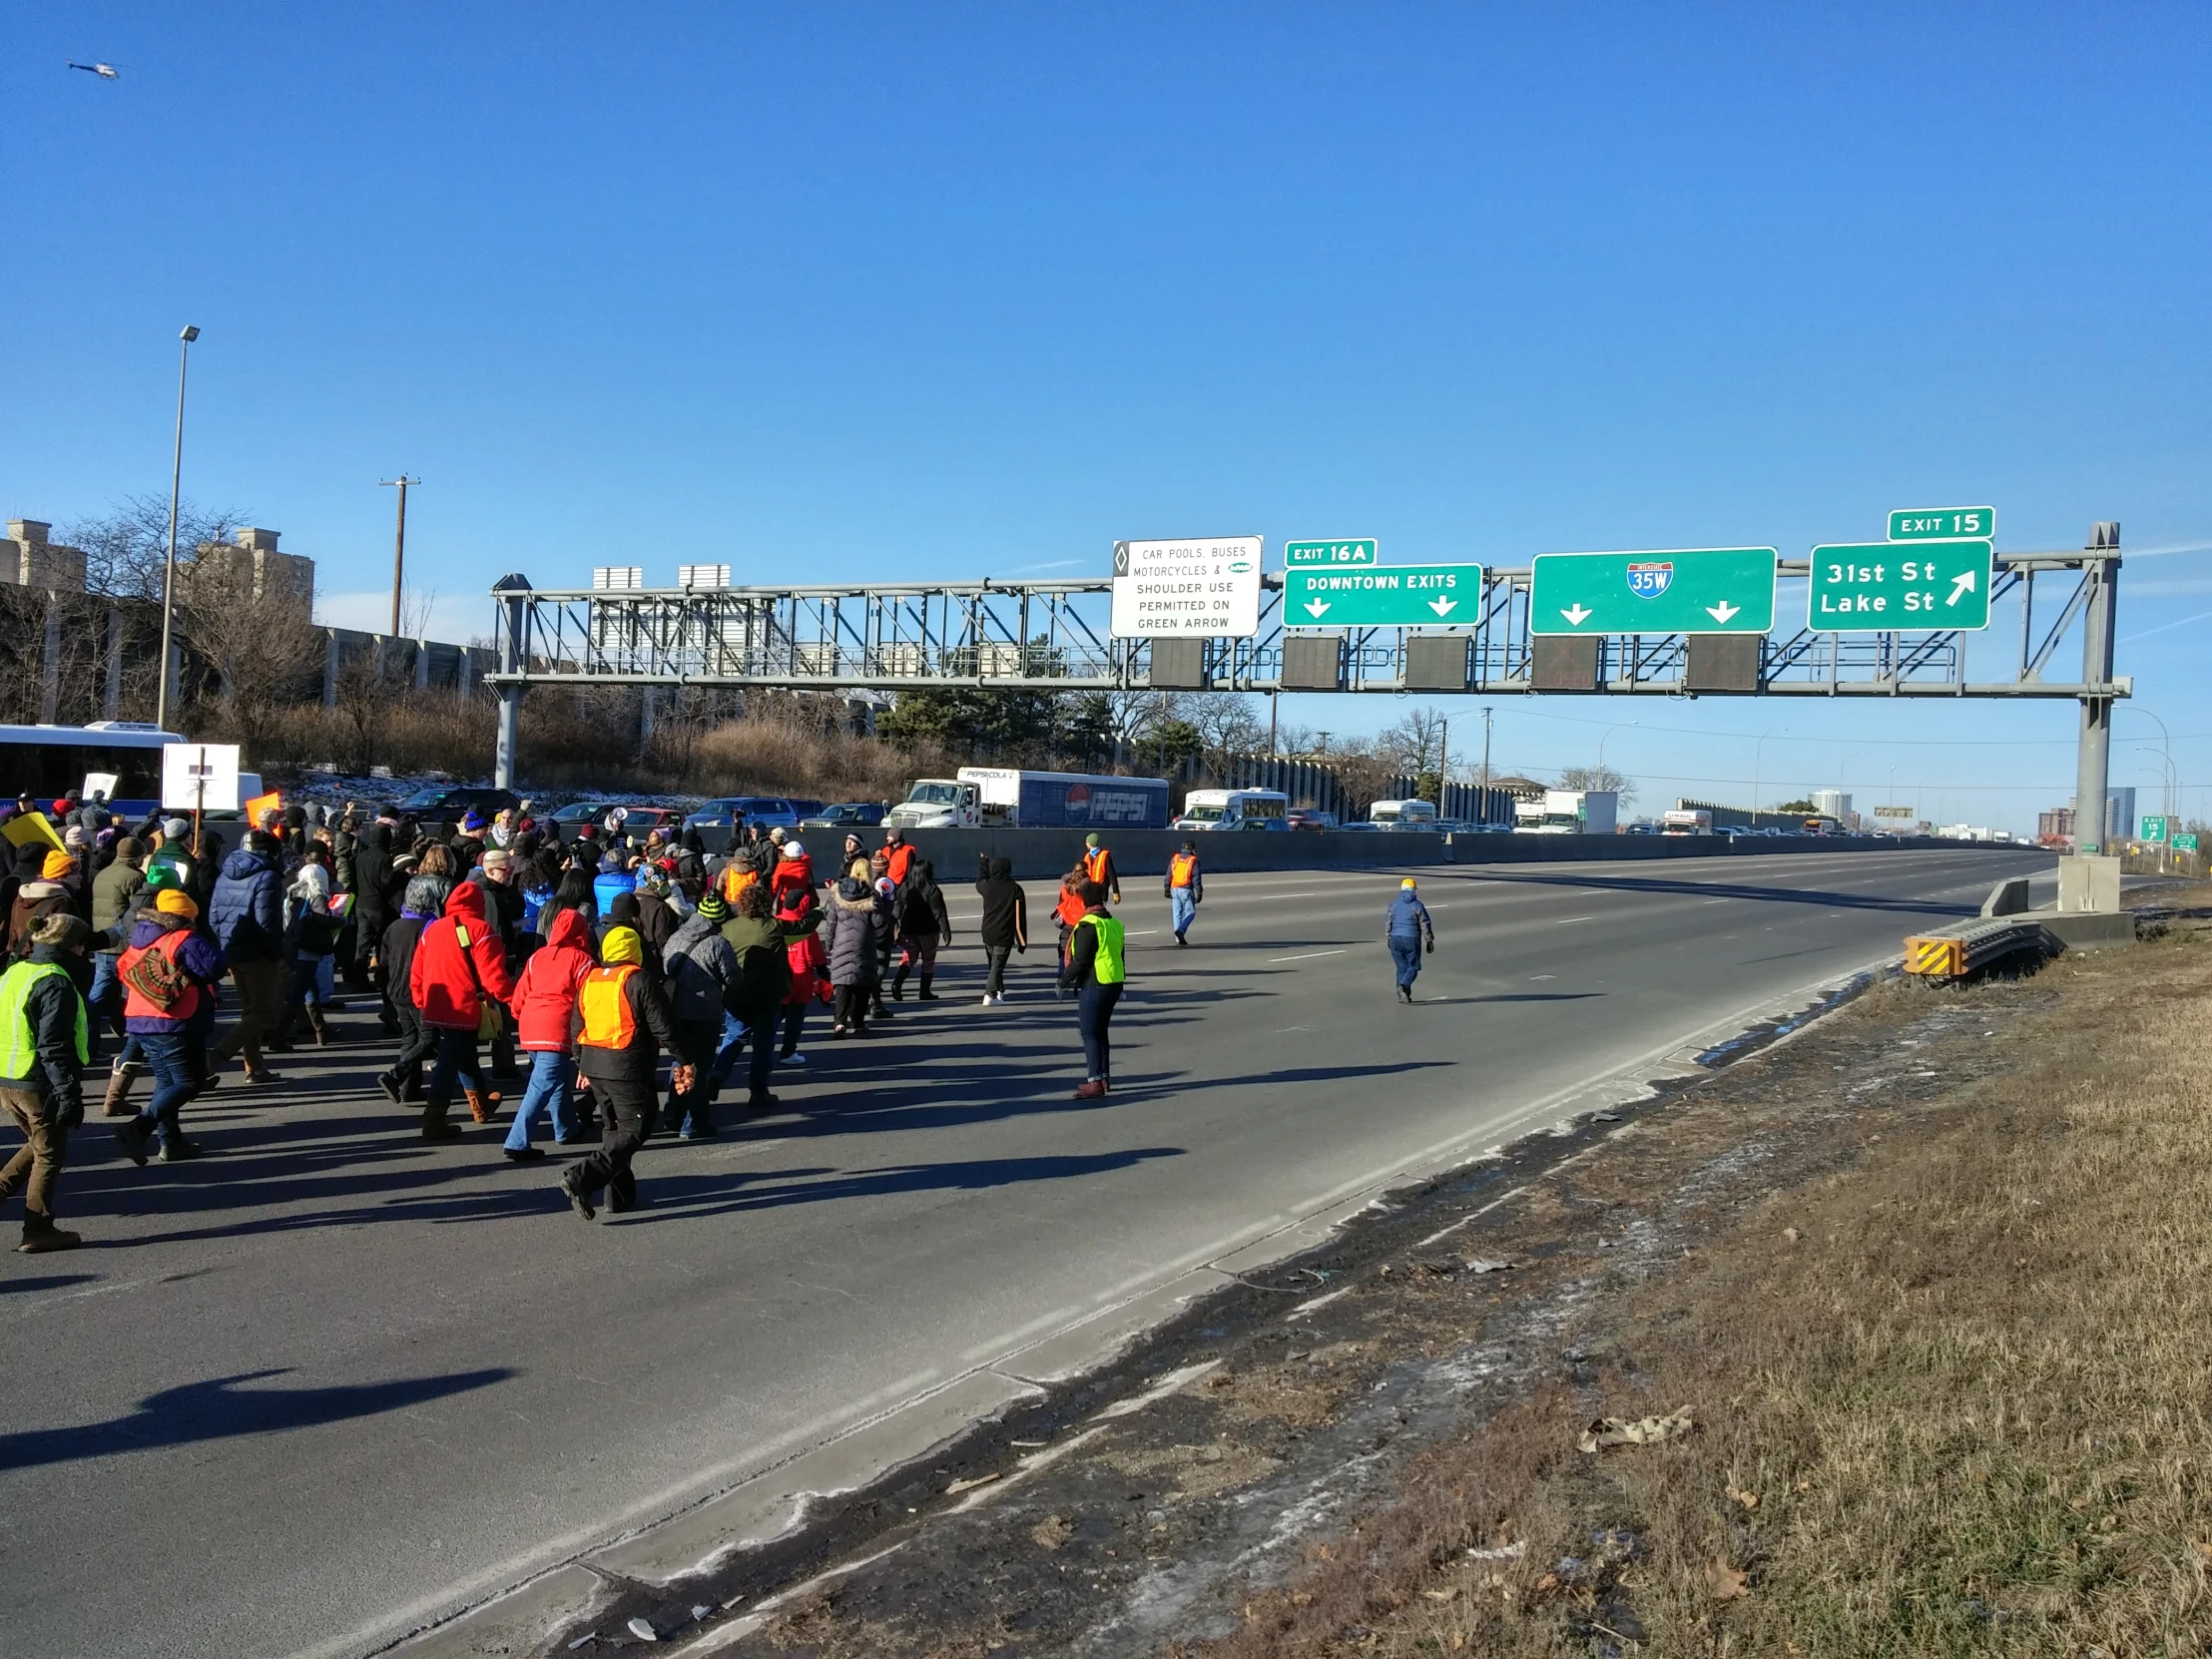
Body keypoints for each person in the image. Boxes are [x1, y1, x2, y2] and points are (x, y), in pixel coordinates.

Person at [560, 924, 686, 1221]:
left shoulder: (591, 979)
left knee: (614, 1130)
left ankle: (618, 1197)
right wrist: (685, 1058)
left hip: (595, 1065)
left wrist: (581, 1065)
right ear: (634, 951)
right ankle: (582, 1177)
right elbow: (663, 1026)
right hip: (626, 1066)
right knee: (637, 1128)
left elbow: (578, 1026)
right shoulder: (638, 979)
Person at [0, 913, 94, 1251]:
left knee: (40, 1141)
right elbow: (53, 1045)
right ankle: (38, 1228)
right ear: (71, 946)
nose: (86, 951)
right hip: (38, 1080)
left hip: (9, 1076)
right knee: (49, 1153)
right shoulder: (55, 981)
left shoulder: (17, 971)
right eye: (82, 944)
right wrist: (68, 1091)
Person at [115, 888, 227, 1164]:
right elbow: (213, 968)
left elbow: (121, 969)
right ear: (188, 917)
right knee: (191, 1081)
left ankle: (171, 1142)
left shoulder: (141, 937)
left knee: (167, 1083)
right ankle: (137, 1128)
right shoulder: (184, 939)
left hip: (141, 1019)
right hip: (174, 1020)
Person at [408, 881, 517, 1140]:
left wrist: (420, 998)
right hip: (466, 1004)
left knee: (463, 1055)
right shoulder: (481, 929)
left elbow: (418, 970)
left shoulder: (432, 929)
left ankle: (481, 1104)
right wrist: (512, 999)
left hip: (438, 1003)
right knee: (450, 1060)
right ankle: (435, 1116)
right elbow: (492, 974)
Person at [503, 906, 595, 1159]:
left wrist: (519, 1015)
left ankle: (566, 1129)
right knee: (542, 1085)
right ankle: (517, 1141)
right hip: (556, 1026)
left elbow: (520, 994)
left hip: (530, 1024)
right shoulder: (582, 960)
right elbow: (588, 1000)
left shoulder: (537, 957)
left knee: (558, 1079)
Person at [208, 830, 287, 1081]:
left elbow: (213, 916)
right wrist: (275, 951)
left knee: (249, 1010)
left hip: (231, 948)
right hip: (257, 952)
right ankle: (218, 1055)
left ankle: (254, 1067)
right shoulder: (268, 876)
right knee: (262, 1011)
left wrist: (225, 942)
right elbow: (268, 921)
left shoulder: (225, 873)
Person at [662, 888, 738, 1138]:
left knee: (680, 1062)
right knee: (700, 1068)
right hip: (705, 1013)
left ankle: (672, 1113)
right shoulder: (718, 944)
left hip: (674, 1011)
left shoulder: (675, 938)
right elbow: (732, 978)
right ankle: (693, 1122)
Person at [718, 883, 793, 1111]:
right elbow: (805, 926)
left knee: (734, 1036)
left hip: (735, 993)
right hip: (767, 995)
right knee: (763, 1044)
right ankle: (758, 1092)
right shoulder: (775, 926)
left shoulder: (728, 927)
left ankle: (717, 1074)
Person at [376, 867, 448, 1104]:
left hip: (396, 989)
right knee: (428, 1038)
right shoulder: (431, 928)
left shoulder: (394, 926)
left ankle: (409, 1088)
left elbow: (384, 960)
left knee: (410, 1037)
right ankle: (397, 1075)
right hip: (419, 991)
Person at [1055, 879, 1125, 1099]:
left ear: (1083, 900)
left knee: (1089, 1033)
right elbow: (1120, 955)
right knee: (1100, 1032)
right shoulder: (1113, 923)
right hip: (1113, 981)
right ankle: (1104, 1078)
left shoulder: (1088, 925)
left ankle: (1094, 1082)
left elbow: (1081, 961)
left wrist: (1063, 981)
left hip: (1096, 983)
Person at [89, 835, 148, 1041]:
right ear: (136, 857)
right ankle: (134, 1038)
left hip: (103, 941)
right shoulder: (135, 877)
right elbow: (140, 910)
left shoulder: (103, 874)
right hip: (125, 944)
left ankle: (89, 1039)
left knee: (97, 994)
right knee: (133, 992)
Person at [821, 860, 885, 1037]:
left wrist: (829, 944)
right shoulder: (871, 895)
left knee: (842, 986)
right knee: (862, 986)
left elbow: (831, 922)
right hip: (863, 945)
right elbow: (879, 924)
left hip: (841, 944)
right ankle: (857, 1022)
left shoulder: (838, 893)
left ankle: (839, 1023)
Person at [889, 856, 951, 1001]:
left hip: (908, 930)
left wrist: (896, 927)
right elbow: (939, 913)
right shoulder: (933, 890)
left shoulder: (905, 887)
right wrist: (946, 932)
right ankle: (924, 991)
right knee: (928, 961)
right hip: (928, 931)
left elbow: (897, 909)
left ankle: (897, 984)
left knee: (908, 958)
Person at [973, 854, 1027, 1005]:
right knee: (997, 966)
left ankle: (999, 992)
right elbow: (1020, 917)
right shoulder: (1015, 888)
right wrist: (1022, 940)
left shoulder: (987, 886)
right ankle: (989, 994)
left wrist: (983, 863)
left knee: (995, 964)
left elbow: (979, 881)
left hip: (988, 931)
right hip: (1004, 933)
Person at [1385, 876, 1435, 1003]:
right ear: (1413, 890)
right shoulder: (1417, 905)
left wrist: (1388, 938)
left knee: (1401, 968)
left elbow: (1388, 922)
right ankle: (1403, 986)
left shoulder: (1394, 904)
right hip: (1411, 939)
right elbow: (1425, 924)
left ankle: (1403, 996)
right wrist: (1429, 940)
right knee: (1414, 966)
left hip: (1395, 938)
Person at [1164, 840, 1204, 945]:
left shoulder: (1175, 858)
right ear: (1192, 849)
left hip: (1174, 888)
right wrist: (1199, 892)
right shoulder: (1193, 860)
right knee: (1190, 912)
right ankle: (1181, 931)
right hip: (1186, 889)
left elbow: (1169, 873)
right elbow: (1196, 878)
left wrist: (1166, 888)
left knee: (1177, 914)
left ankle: (1178, 939)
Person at [1080, 832, 1122, 904]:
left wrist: (1116, 892)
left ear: (1091, 843)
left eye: (1087, 842)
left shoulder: (1105, 856)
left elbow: (1112, 875)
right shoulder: (1086, 856)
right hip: (1089, 892)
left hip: (1101, 892)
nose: (1086, 844)